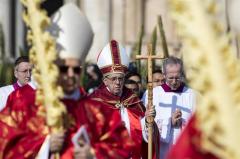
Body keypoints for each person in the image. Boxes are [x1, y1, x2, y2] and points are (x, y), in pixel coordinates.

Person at [0, 3, 133, 159]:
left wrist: (93, 154)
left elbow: (122, 148)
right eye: (64, 69)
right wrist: (45, 146)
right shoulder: (24, 105)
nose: (70, 74)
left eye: (76, 69)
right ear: (54, 68)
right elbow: (5, 144)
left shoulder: (98, 111)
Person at [89, 40, 159, 159]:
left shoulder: (132, 99)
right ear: (105, 80)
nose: (118, 83)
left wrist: (147, 121)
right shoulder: (94, 102)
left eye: (121, 78)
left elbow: (143, 136)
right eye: (114, 79)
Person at [142, 56, 197, 159]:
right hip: (162, 152)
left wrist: (183, 123)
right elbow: (144, 124)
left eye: (178, 77)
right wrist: (169, 122)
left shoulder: (193, 95)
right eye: (171, 78)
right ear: (164, 75)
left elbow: (199, 125)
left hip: (185, 151)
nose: (174, 81)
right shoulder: (152, 94)